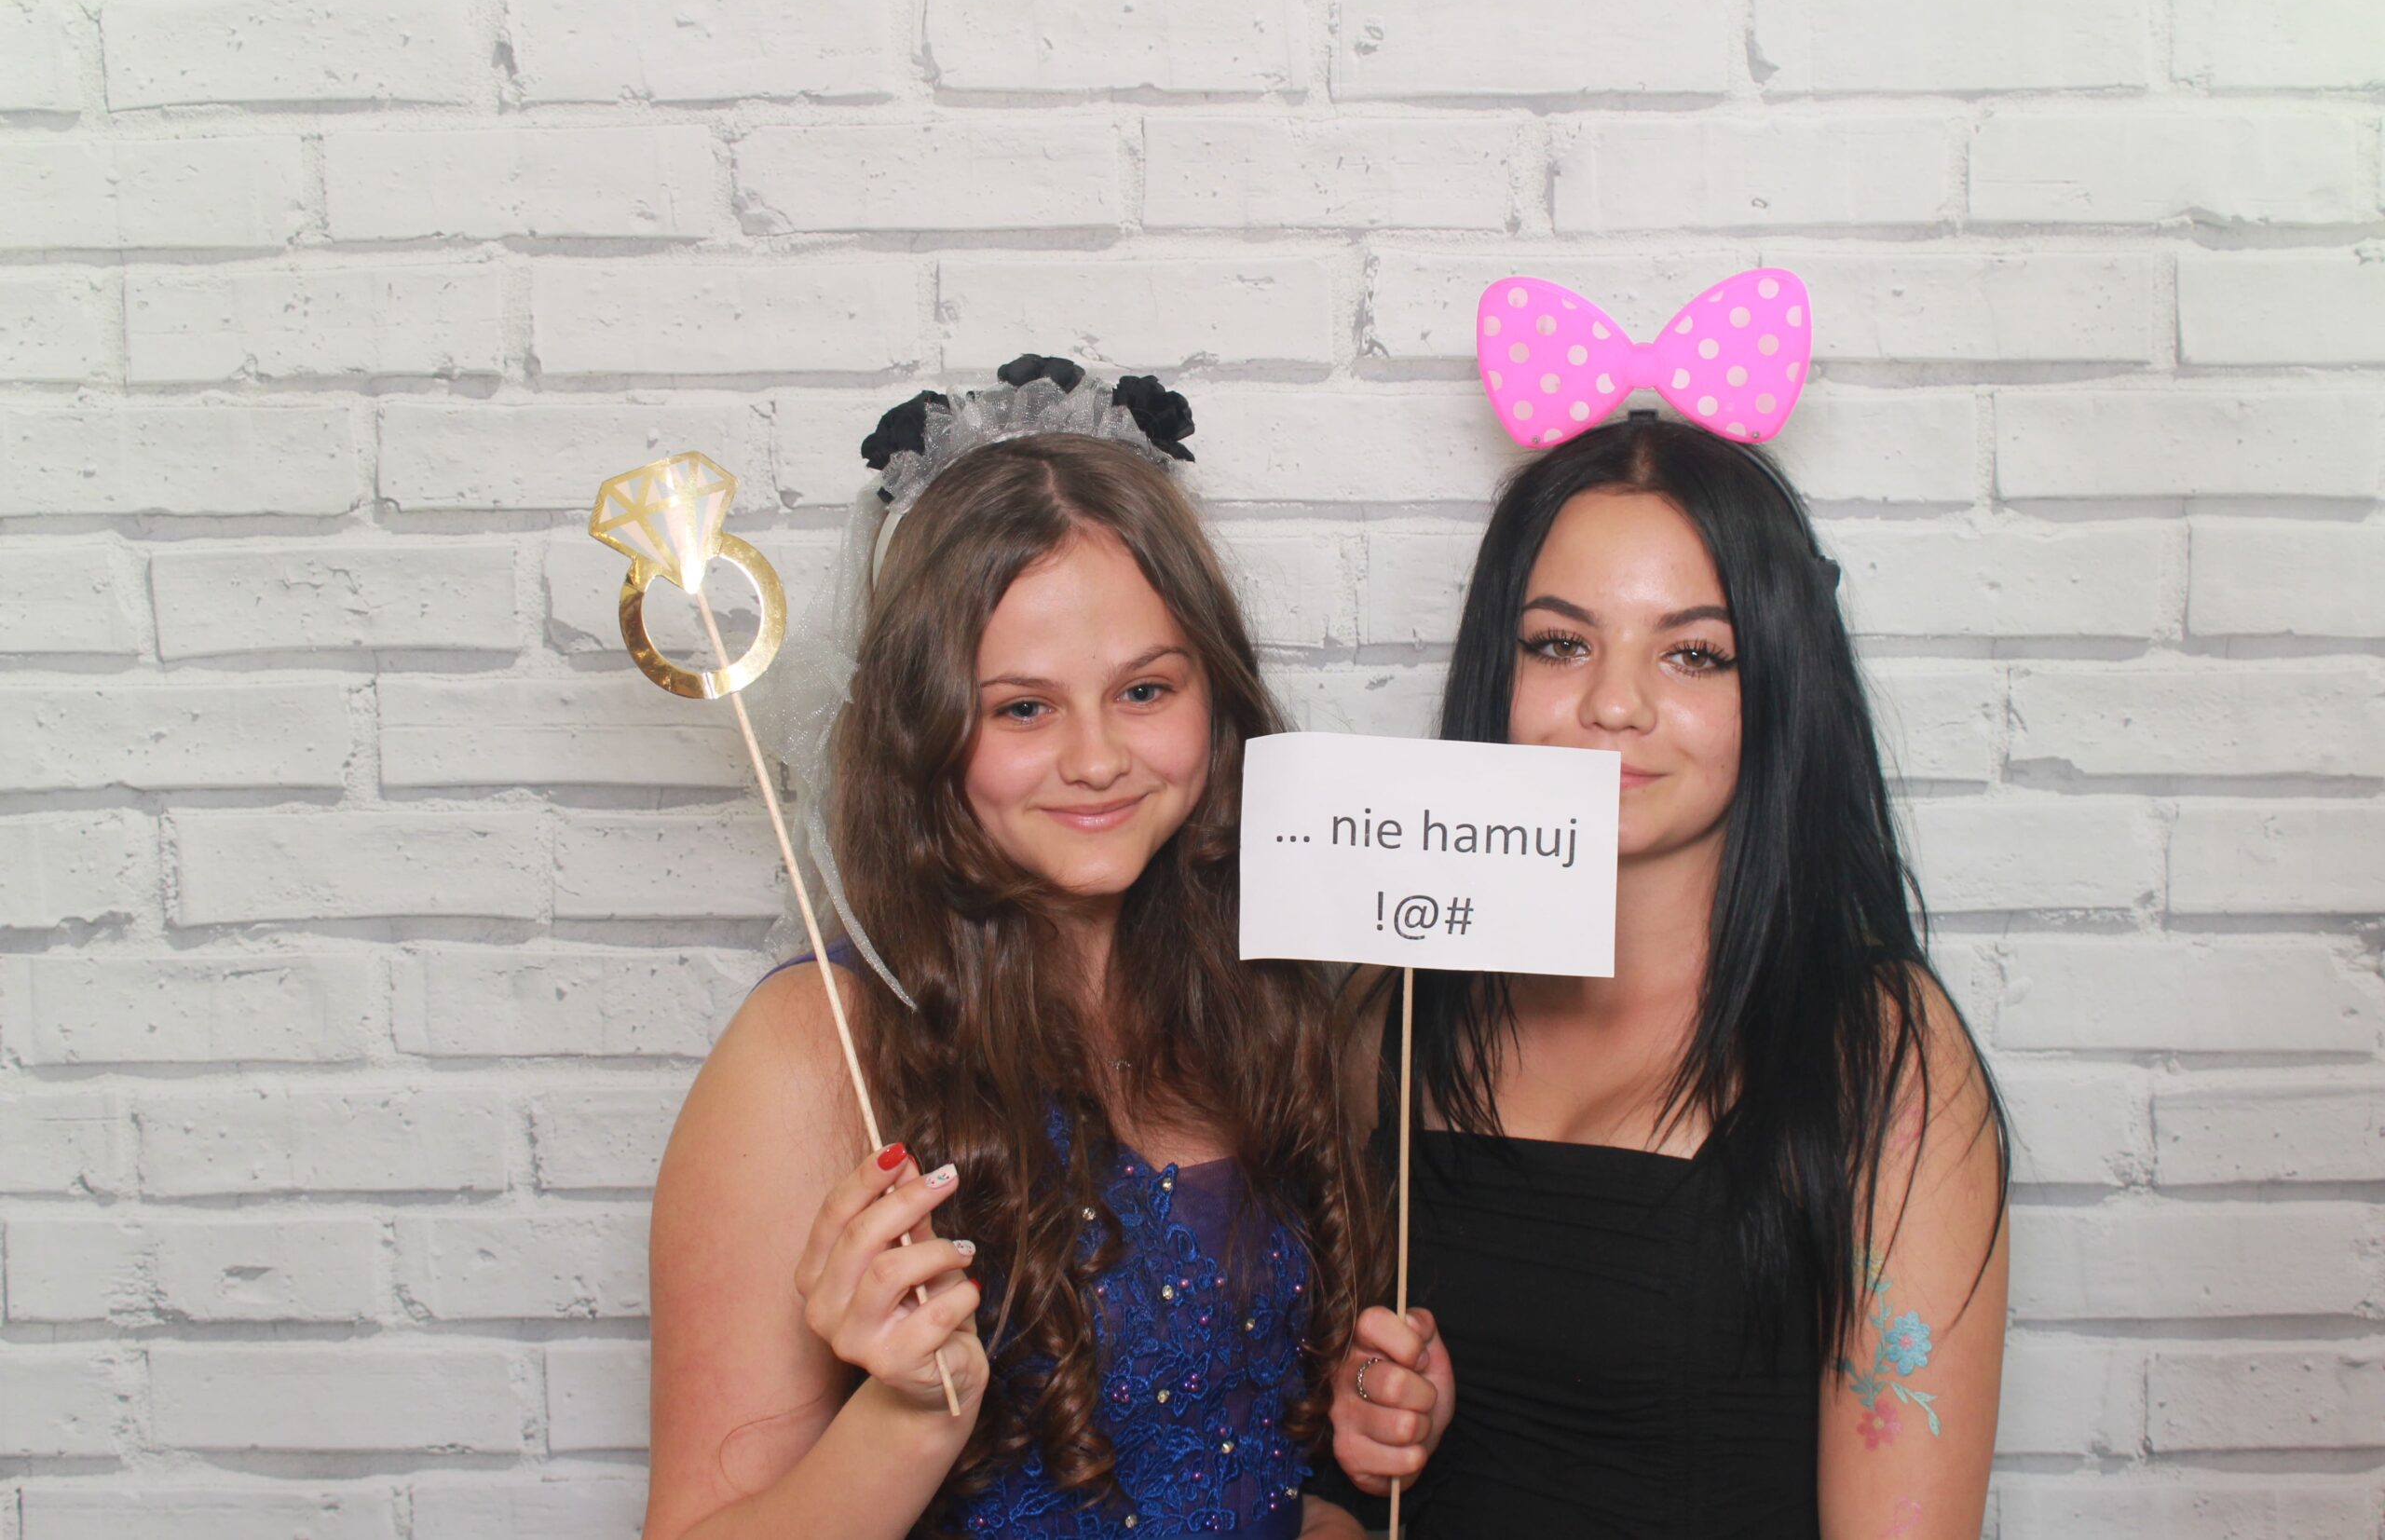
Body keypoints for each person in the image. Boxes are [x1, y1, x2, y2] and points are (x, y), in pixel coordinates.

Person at [641, 361, 1378, 1540]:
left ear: (1216, 694)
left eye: (1145, 690)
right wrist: (904, 1417)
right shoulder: (813, 1050)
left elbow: (1258, 1460)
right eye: (1022, 708)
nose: (1096, 760)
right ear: (924, 727)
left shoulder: (1264, 995)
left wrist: (1366, 1449)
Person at [1322, 412, 2010, 1538]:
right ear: (1498, 666)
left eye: (1693, 653)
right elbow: (1317, 1470)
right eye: (1559, 644)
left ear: (1776, 681)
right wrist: (1362, 1434)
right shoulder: (1389, 1003)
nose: (1615, 704)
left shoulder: (1876, 1053)